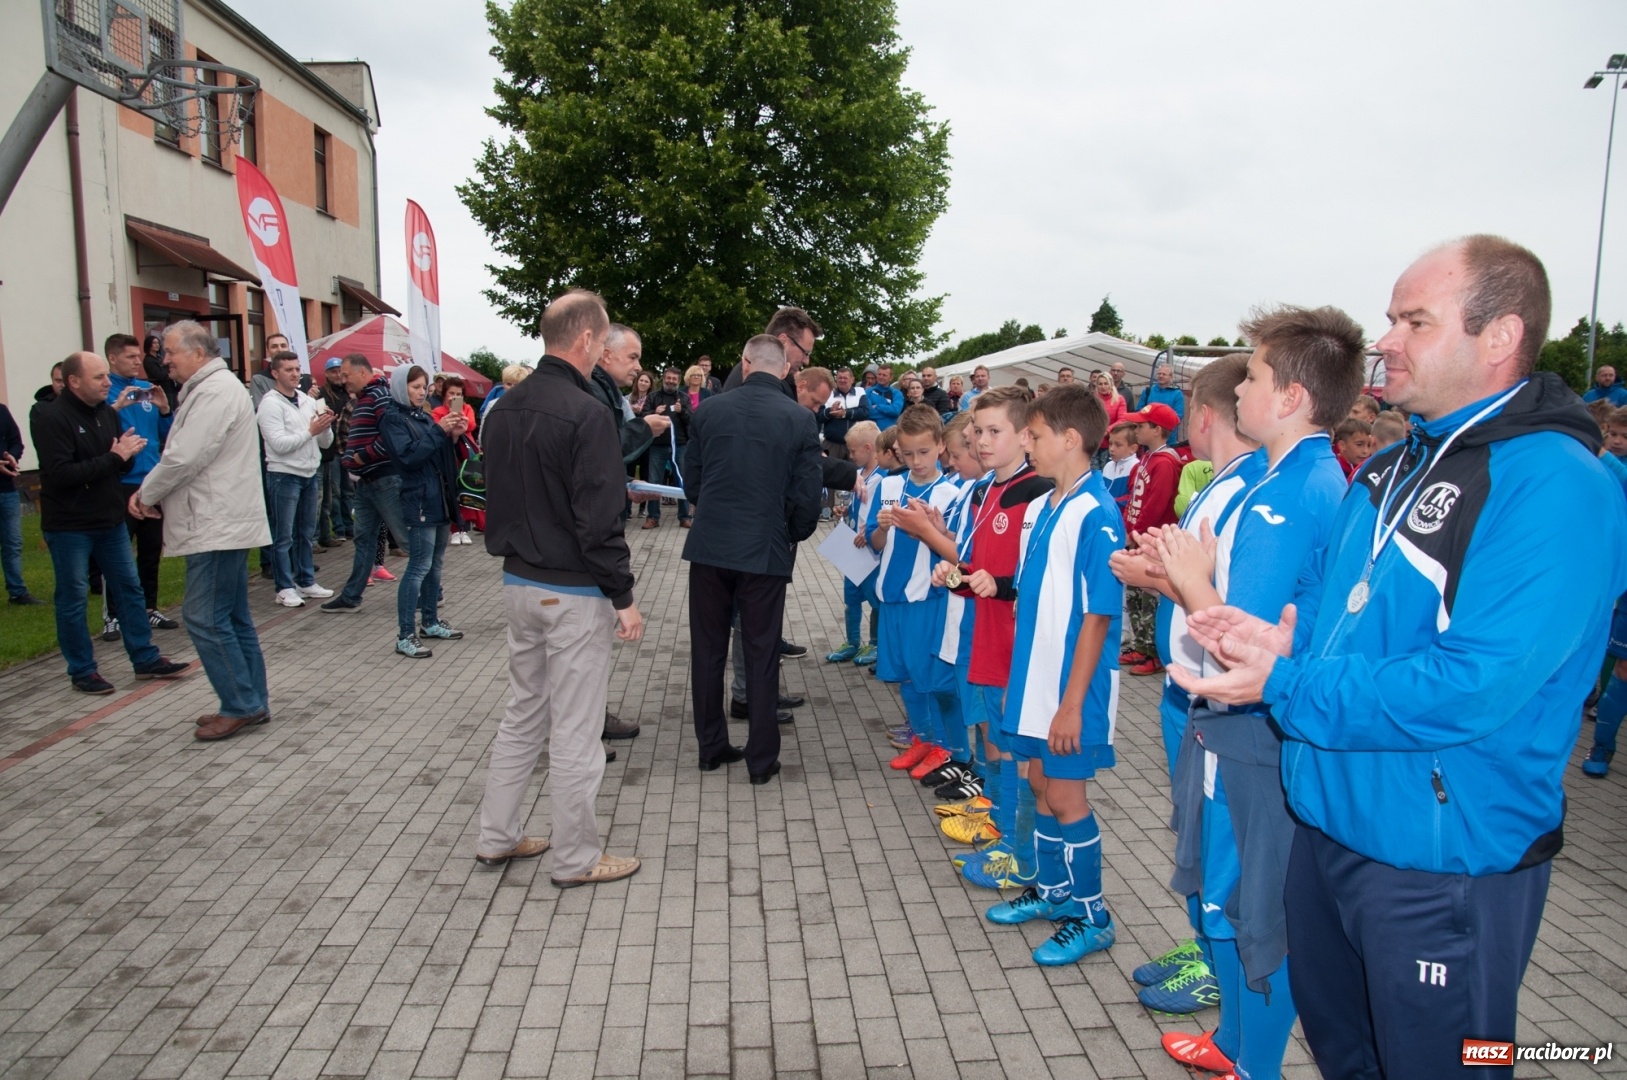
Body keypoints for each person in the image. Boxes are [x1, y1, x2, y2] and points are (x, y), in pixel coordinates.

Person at [1169, 236, 1627, 1080]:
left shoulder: (1556, 483)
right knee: (1348, 1059)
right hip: (1328, 823)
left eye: (1413, 320)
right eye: (1389, 319)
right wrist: (1284, 641)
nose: (1384, 341)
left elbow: (1475, 683)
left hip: (1441, 861)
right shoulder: (1387, 466)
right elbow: (1350, 627)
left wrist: (1288, 678)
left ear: (1498, 337)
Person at [1150, 306, 1363, 1080]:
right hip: (1231, 726)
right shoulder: (1277, 478)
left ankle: (1255, 1062)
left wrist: (1186, 580)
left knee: (1255, 913)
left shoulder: (1295, 489)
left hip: (1257, 733)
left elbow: (1237, 635)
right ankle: (1236, 1046)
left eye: (1255, 375)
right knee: (1229, 897)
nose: (1240, 388)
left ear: (1291, 397)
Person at [1110, 353, 1263, 1019]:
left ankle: (1220, 969)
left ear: (1202, 415)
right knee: (1194, 835)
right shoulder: (1223, 481)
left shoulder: (1252, 486)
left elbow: (1230, 605)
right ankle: (1201, 941)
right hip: (1188, 689)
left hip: (1218, 697)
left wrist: (1151, 579)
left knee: (1220, 843)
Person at [477, 289, 644, 886]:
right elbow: (598, 520)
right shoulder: (586, 412)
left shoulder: (504, 409)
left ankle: (497, 836)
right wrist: (623, 597)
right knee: (574, 730)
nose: (602, 352)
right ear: (584, 341)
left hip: (519, 581)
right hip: (571, 590)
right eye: (602, 342)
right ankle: (575, 859)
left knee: (524, 713)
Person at [981, 384, 1123, 968]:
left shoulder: (1096, 510)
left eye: (1034, 436)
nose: (1028, 445)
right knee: (1040, 782)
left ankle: (1093, 916)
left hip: (1072, 689)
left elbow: (1097, 613)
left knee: (1066, 795)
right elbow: (1032, 604)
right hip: (1035, 680)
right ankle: (1054, 890)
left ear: (1069, 439)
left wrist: (1070, 704)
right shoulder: (1043, 506)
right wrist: (1022, 681)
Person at [683, 334, 822, 786]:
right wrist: (789, 534)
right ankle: (761, 761)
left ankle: (711, 747)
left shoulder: (709, 411)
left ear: (744, 364)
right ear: (784, 369)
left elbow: (694, 483)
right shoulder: (799, 418)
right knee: (761, 652)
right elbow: (807, 497)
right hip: (764, 548)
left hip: (709, 547)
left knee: (707, 649)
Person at [935, 387, 1053, 886]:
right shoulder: (986, 490)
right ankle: (1005, 833)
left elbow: (1034, 576)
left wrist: (996, 584)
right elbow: (982, 567)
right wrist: (956, 573)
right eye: (976, 432)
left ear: (1026, 436)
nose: (982, 441)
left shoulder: (1036, 490)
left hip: (1015, 641)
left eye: (993, 431)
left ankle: (1020, 852)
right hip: (985, 633)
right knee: (998, 737)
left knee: (1019, 747)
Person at [133, 320, 273, 739]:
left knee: (204, 617)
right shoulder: (214, 387)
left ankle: (241, 703)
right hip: (220, 517)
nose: (165, 360)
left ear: (198, 353)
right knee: (230, 616)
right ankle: (251, 700)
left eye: (170, 352)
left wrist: (146, 494)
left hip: (215, 520)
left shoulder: (214, 390)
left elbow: (183, 458)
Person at [30, 352, 188, 695]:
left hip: (109, 519)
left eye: (105, 375)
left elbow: (115, 467)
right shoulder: (51, 418)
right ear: (74, 382)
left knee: (130, 589)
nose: (107, 383)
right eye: (98, 377)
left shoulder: (106, 414)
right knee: (72, 597)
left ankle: (145, 658)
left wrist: (124, 457)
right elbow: (59, 475)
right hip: (70, 525)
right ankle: (83, 670)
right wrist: (115, 456)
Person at [867, 405, 961, 779]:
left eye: (923, 452)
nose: (916, 461)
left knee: (928, 677)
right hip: (891, 598)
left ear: (940, 445)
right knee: (905, 677)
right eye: (908, 454)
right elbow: (874, 544)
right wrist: (883, 527)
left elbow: (954, 552)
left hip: (927, 599)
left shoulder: (952, 493)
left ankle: (943, 745)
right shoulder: (888, 485)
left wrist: (926, 529)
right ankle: (921, 738)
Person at [380, 365, 466, 658]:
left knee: (436, 563)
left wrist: (452, 435)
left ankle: (429, 621)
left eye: (424, 386)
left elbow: (438, 454)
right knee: (419, 565)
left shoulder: (424, 416)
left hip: (439, 497)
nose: (421, 392)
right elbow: (409, 457)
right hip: (418, 499)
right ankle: (405, 634)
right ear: (400, 387)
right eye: (415, 386)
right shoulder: (393, 418)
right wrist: (439, 432)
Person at [321, 355, 412, 614]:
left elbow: (394, 434)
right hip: (367, 482)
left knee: (406, 540)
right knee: (364, 540)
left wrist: (363, 455)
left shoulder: (380, 396)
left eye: (347, 374)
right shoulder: (364, 398)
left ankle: (430, 591)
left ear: (363, 373)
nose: (343, 378)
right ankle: (351, 597)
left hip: (384, 479)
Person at [105, 333, 179, 632]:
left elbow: (169, 435)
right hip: (122, 482)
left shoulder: (148, 389)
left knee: (150, 552)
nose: (138, 362)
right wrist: (117, 408)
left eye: (139, 357)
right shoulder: (107, 391)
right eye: (130, 357)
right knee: (118, 552)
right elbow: (98, 430)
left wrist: (164, 409)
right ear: (112, 358)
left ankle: (149, 607)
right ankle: (114, 615)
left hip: (151, 481)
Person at [256, 350, 336, 608]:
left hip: (309, 472)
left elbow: (326, 442)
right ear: (275, 373)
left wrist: (323, 428)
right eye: (288, 369)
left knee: (304, 533)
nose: (294, 374)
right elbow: (278, 444)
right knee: (284, 535)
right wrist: (310, 431)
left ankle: (305, 579)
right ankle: (284, 587)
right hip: (284, 475)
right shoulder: (269, 403)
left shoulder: (306, 399)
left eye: (297, 368)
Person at [1118, 401, 1183, 676]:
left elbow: (1156, 504)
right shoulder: (1148, 458)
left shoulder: (1166, 462)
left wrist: (1137, 532)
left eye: (1141, 426)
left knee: (1150, 600)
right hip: (1139, 537)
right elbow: (1136, 498)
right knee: (1135, 594)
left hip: (1152, 540)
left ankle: (1153, 652)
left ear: (1157, 430)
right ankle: (1140, 645)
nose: (1136, 429)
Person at [827, 419, 882, 663]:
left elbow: (881, 511)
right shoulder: (858, 474)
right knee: (851, 595)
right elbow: (858, 505)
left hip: (872, 550)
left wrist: (870, 533)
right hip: (854, 548)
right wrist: (845, 511)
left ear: (869, 448)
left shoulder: (885, 477)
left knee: (875, 597)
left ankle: (876, 644)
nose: (850, 456)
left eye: (853, 451)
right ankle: (852, 642)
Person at [430, 376, 479, 545]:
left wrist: (462, 422)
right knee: (450, 488)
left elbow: (472, 425)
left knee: (465, 487)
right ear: (444, 394)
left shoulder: (467, 408)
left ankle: (464, 527)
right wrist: (449, 423)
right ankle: (454, 528)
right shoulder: (438, 411)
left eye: (458, 394)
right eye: (451, 393)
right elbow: (436, 429)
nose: (454, 397)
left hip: (464, 453)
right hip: (446, 452)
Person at [642, 367, 693, 529]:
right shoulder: (653, 397)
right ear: (663, 378)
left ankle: (684, 517)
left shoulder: (683, 398)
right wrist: (653, 411)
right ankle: (653, 517)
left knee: (682, 480)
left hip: (680, 446)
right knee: (654, 482)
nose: (671, 381)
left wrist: (681, 411)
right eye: (668, 378)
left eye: (674, 379)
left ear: (678, 381)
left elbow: (691, 421)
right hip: (657, 446)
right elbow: (642, 418)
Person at [0, 401, 40, 605]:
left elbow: (17, 442)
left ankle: (17, 592)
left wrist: (12, 457)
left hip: (6, 489)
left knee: (13, 543)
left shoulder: (1, 411)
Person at [314, 357, 354, 545]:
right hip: (331, 450)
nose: (337, 375)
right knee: (334, 492)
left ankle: (348, 525)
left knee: (348, 491)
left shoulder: (349, 392)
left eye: (340, 371)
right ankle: (337, 528)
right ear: (327, 374)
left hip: (348, 447)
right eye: (333, 371)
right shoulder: (321, 394)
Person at [818, 367, 869, 459]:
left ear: (852, 379)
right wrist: (830, 411)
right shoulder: (829, 393)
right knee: (829, 471)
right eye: (839, 378)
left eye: (845, 378)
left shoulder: (860, 392)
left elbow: (865, 412)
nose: (842, 380)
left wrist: (845, 413)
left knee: (853, 472)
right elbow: (819, 416)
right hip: (832, 443)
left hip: (855, 445)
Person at [1091, 369, 1128, 468]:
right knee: (1093, 472)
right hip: (1094, 442)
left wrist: (1107, 430)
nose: (1103, 387)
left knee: (1107, 470)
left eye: (1105, 383)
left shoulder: (1119, 399)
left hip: (1110, 443)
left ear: (1111, 384)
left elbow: (1122, 419)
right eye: (1100, 384)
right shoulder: (1092, 399)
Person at [865, 363, 904, 431]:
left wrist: (877, 406)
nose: (881, 377)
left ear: (891, 378)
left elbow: (896, 411)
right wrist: (889, 414)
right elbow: (868, 412)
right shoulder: (868, 392)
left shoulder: (897, 394)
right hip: (872, 433)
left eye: (884, 375)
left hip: (890, 434)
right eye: (879, 374)